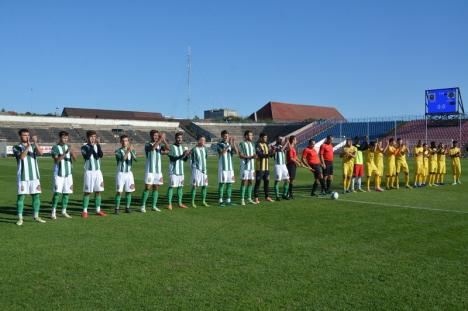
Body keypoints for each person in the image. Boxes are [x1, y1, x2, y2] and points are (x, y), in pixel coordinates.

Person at [13, 129, 45, 225]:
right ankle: (20, 218)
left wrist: (35, 143)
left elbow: (41, 153)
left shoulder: (33, 146)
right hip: (23, 176)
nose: (27, 137)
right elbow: (22, 157)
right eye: (24, 135)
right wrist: (27, 147)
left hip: (34, 176)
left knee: (36, 196)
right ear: (20, 136)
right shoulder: (16, 147)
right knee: (21, 197)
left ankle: (36, 216)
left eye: (28, 135)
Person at [140, 130, 168, 213]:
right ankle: (142, 206)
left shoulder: (159, 145)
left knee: (156, 188)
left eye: (157, 135)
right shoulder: (148, 144)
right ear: (151, 136)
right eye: (154, 135)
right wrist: (160, 140)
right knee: (147, 187)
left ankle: (154, 206)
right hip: (150, 170)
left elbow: (168, 148)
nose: (156, 137)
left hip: (158, 171)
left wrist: (164, 140)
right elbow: (152, 148)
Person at [51, 131, 76, 219]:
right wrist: (65, 152)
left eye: (66, 138)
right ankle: (53, 211)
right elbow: (56, 160)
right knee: (57, 193)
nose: (65, 140)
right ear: (60, 138)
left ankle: (63, 211)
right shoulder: (55, 147)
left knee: (66, 193)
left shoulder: (68, 147)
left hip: (68, 174)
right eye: (64, 138)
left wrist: (72, 152)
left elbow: (75, 159)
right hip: (59, 174)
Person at [81, 130, 106, 218]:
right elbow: (87, 156)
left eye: (94, 137)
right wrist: (92, 146)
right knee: (87, 192)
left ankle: (98, 210)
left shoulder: (96, 146)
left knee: (98, 191)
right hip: (89, 172)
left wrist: (98, 145)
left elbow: (100, 155)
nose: (93, 138)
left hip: (98, 172)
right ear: (88, 137)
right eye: (91, 137)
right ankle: (84, 211)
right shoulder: (84, 147)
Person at [167, 132, 190, 210]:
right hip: (173, 171)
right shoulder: (172, 147)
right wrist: (182, 155)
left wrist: (187, 155)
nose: (180, 139)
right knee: (171, 187)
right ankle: (169, 204)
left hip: (181, 171)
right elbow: (172, 158)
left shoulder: (182, 147)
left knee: (180, 187)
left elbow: (184, 160)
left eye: (181, 138)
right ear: (175, 138)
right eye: (178, 138)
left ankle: (180, 203)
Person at [114, 135, 137, 214]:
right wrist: (128, 151)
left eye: (126, 141)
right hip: (120, 174)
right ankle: (117, 208)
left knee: (129, 191)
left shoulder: (131, 150)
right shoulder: (117, 151)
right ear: (120, 142)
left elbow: (135, 159)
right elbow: (123, 159)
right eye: (123, 141)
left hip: (129, 174)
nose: (124, 142)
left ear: (128, 142)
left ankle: (127, 207)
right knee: (119, 192)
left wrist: (131, 151)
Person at [217, 130, 238, 206]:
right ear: (222, 136)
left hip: (230, 168)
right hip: (223, 167)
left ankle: (228, 200)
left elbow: (236, 152)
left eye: (227, 136)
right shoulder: (219, 144)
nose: (226, 137)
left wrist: (233, 143)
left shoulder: (229, 144)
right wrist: (228, 145)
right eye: (225, 136)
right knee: (222, 184)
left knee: (229, 184)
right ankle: (220, 200)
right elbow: (222, 153)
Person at [190, 135, 209, 207]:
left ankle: (203, 201)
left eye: (204, 140)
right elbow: (191, 160)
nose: (203, 141)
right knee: (194, 186)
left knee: (204, 186)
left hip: (204, 170)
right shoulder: (194, 149)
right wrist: (193, 169)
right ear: (198, 141)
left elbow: (205, 158)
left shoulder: (205, 149)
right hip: (196, 170)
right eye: (202, 140)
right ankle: (192, 202)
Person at [238, 130, 257, 206]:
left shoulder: (252, 144)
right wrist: (251, 157)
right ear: (246, 136)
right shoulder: (242, 144)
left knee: (250, 182)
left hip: (251, 166)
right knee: (244, 182)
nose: (252, 136)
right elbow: (240, 155)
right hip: (245, 166)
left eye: (252, 135)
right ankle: (242, 199)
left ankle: (249, 198)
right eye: (250, 135)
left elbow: (254, 154)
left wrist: (255, 156)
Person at [254, 133, 274, 203]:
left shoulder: (266, 145)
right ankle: (256, 198)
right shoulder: (257, 145)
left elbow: (269, 155)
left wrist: (272, 152)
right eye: (264, 137)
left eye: (266, 137)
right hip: (259, 167)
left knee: (267, 182)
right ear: (261, 138)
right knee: (258, 182)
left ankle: (267, 197)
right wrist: (269, 154)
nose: (266, 139)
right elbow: (260, 155)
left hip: (266, 168)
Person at [271, 136, 290, 200]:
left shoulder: (283, 146)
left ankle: (284, 195)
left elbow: (289, 149)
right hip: (278, 165)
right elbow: (281, 150)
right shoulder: (274, 146)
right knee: (277, 181)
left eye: (282, 139)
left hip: (284, 165)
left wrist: (288, 142)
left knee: (287, 180)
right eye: (280, 139)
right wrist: (286, 142)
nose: (282, 140)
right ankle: (277, 196)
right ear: (277, 140)